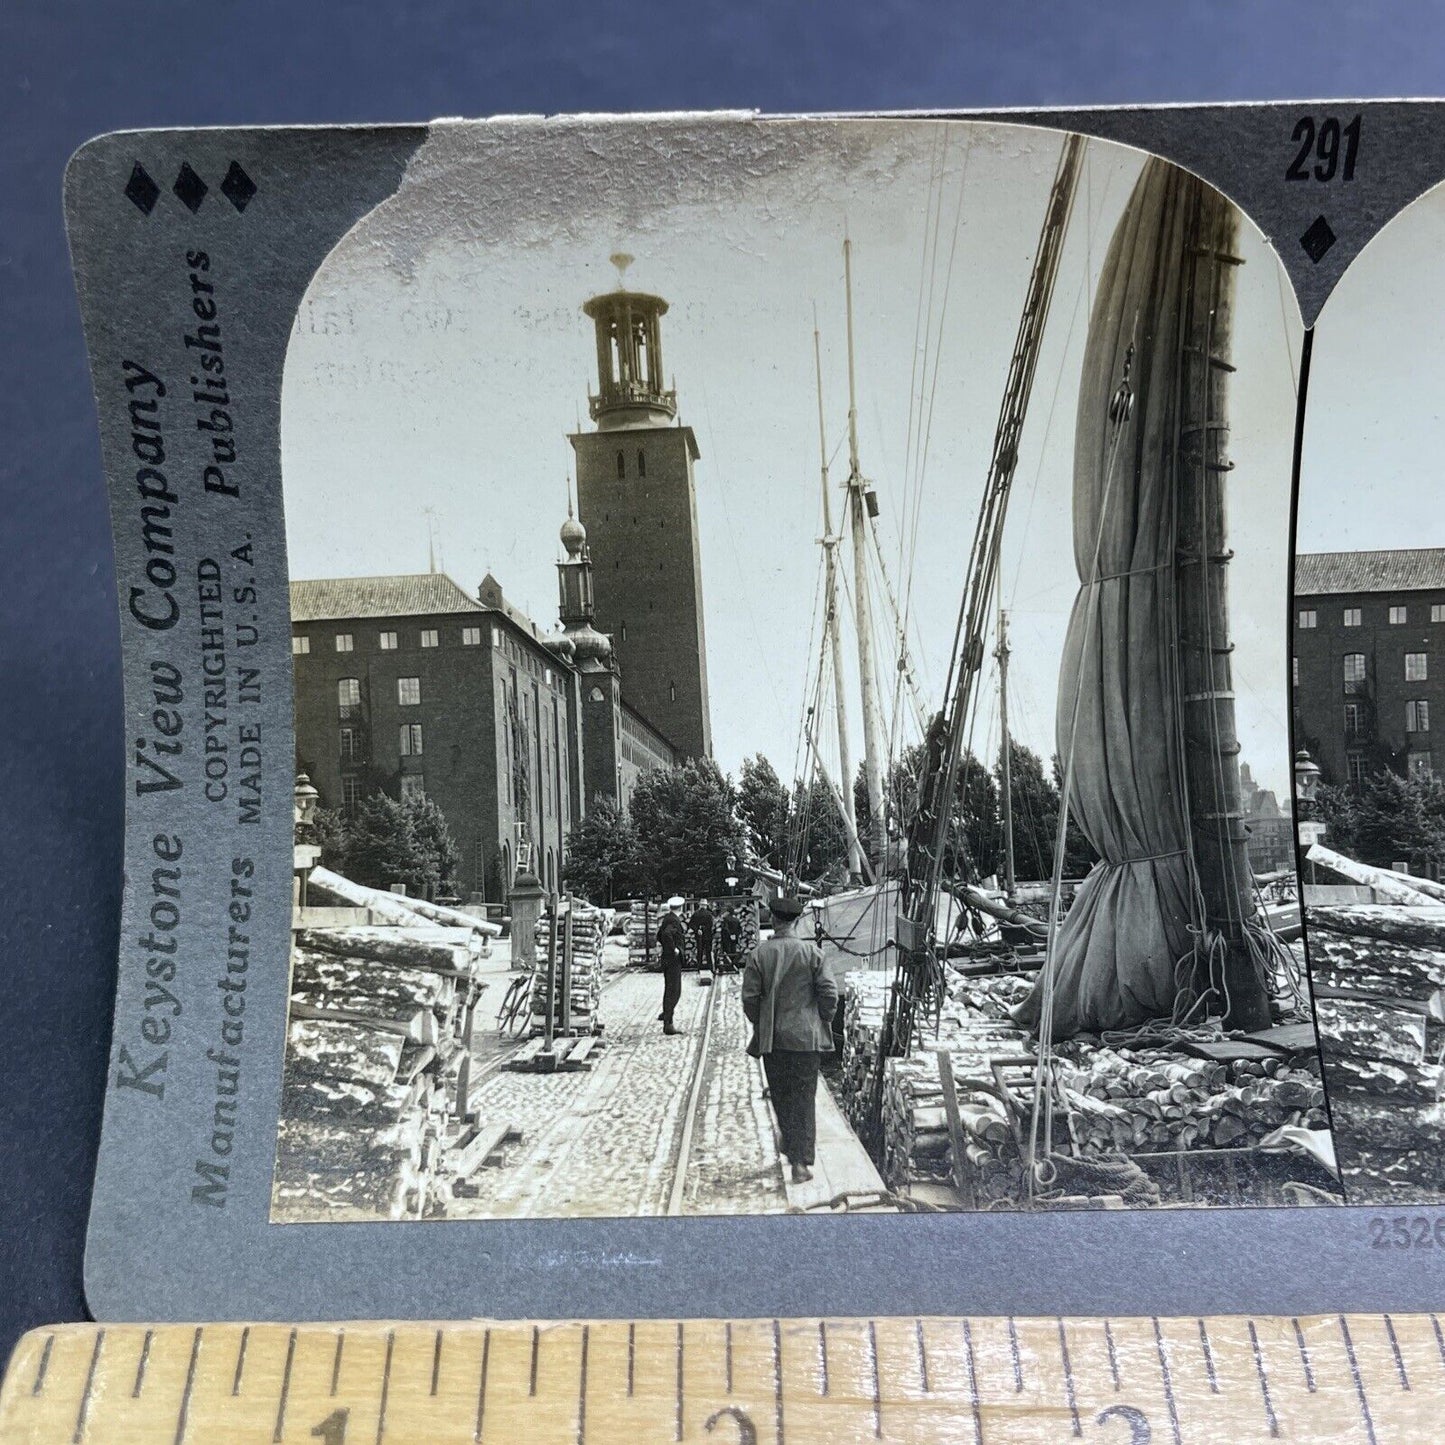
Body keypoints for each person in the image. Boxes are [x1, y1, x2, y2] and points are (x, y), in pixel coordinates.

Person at [742, 894, 839, 1184]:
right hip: (806, 1039)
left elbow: (749, 1000)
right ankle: (801, 1161)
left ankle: (791, 1147)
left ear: (773, 919)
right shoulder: (813, 954)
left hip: (774, 1039)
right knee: (804, 1098)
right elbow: (829, 993)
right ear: (797, 921)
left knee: (781, 1096)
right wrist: (822, 1018)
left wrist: (763, 1022)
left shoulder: (759, 955)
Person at [656, 896, 687, 1035]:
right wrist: (674, 949)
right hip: (673, 960)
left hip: (667, 959)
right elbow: (667, 935)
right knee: (674, 991)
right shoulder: (673, 920)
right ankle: (668, 1023)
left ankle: (666, 1014)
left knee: (670, 989)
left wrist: (665, 947)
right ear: (681, 907)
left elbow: (659, 935)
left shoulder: (667, 918)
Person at [689, 898, 716, 972]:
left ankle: (699, 967)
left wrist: (697, 930)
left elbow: (691, 924)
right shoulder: (709, 914)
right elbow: (710, 925)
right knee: (708, 951)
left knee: (699, 951)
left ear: (700, 905)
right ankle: (710, 967)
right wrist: (704, 929)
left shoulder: (695, 914)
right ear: (706, 906)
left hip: (698, 935)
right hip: (707, 935)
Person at [718, 905, 743, 973]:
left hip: (726, 938)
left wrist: (730, 935)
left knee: (727, 952)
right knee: (733, 951)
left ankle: (728, 967)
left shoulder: (725, 919)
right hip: (735, 938)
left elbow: (725, 928)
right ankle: (734, 966)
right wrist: (735, 935)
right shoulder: (736, 920)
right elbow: (740, 929)